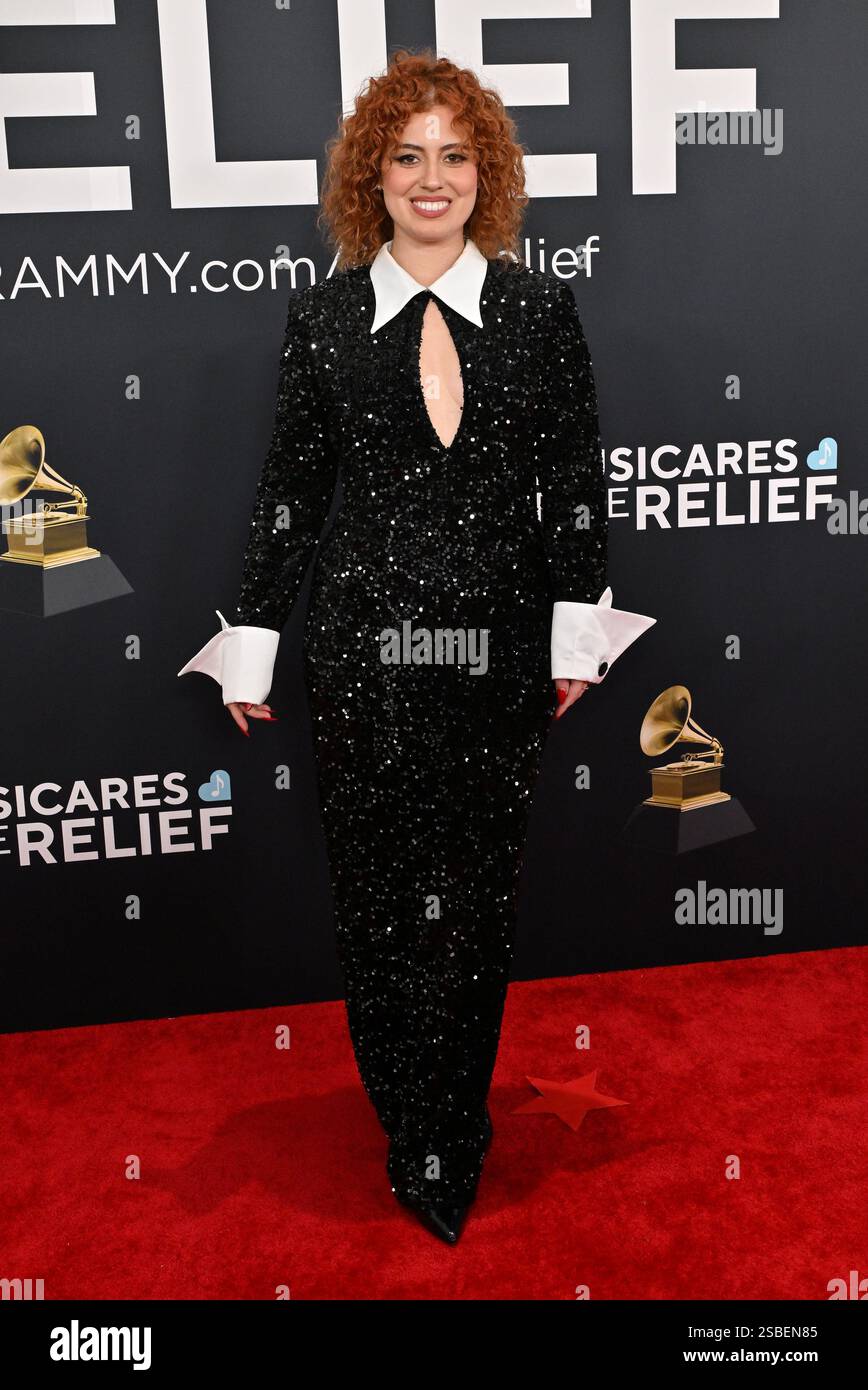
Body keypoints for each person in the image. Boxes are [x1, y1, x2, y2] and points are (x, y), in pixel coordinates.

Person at [178, 49, 655, 1246]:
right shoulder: (326, 319)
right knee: (385, 902)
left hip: (494, 655)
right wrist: (250, 643)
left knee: (477, 906)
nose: (430, 180)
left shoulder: (540, 310)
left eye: (454, 156)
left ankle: (459, 1126)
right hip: (364, 656)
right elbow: (291, 491)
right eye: (407, 157)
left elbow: (572, 486)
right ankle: (412, 1123)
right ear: (371, 175)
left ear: (483, 173)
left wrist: (577, 636)